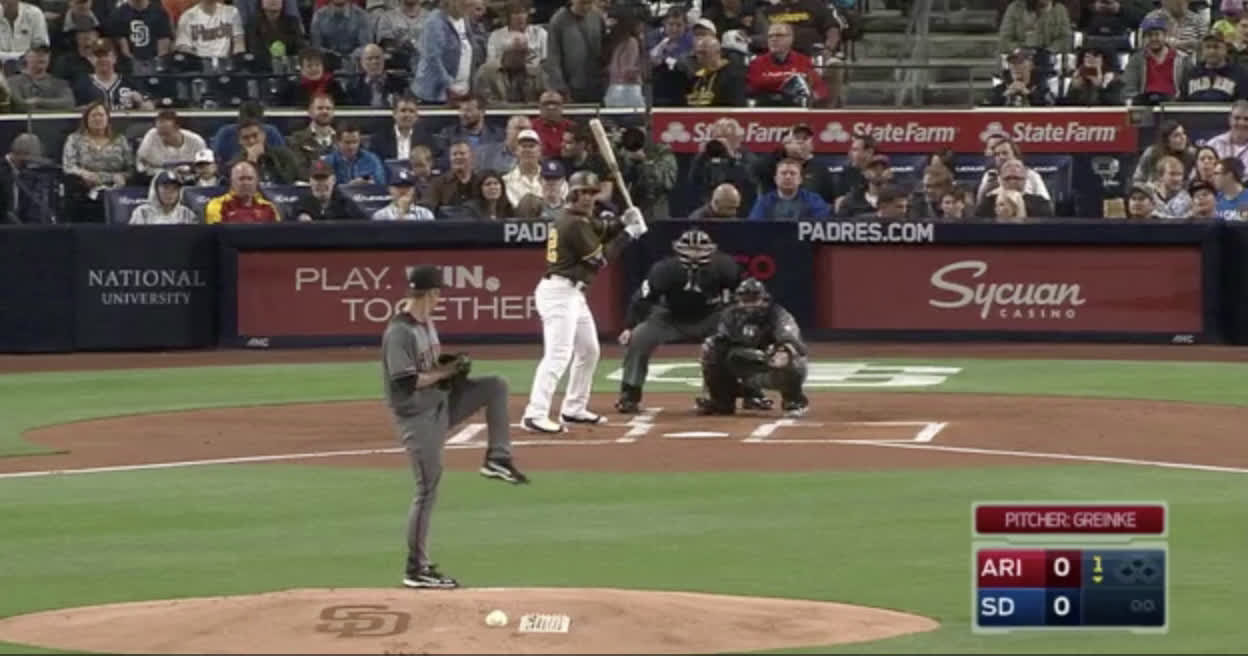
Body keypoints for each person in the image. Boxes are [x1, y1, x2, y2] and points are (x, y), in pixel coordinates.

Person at [382, 264, 529, 589]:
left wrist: (450, 365)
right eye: (439, 293)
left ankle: (497, 459)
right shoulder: (400, 332)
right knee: (427, 489)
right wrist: (446, 374)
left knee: (495, 386)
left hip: (440, 403)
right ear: (431, 293)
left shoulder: (426, 323)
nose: (440, 299)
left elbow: (429, 366)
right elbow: (406, 382)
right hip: (418, 418)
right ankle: (416, 569)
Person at [520, 171, 647, 433]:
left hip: (572, 294)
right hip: (559, 293)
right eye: (583, 193)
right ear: (573, 194)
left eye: (592, 193)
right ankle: (535, 413)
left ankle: (574, 408)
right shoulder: (574, 224)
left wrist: (623, 221)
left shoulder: (578, 219)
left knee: (589, 350)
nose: (588, 198)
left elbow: (602, 229)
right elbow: (600, 259)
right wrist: (629, 234)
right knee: (558, 355)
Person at [615, 229, 772, 414]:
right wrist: (629, 326)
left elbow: (745, 293)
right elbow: (642, 299)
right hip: (670, 316)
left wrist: (745, 322)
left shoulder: (725, 265)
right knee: (639, 337)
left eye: (699, 251)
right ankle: (630, 393)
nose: (694, 256)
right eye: (690, 250)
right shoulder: (664, 269)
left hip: (711, 315)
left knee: (741, 339)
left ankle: (750, 391)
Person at [695, 277, 810, 417]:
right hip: (745, 364)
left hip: (771, 364)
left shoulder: (777, 314)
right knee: (711, 349)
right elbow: (720, 343)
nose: (749, 304)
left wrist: (782, 351)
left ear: (764, 299)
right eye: (745, 299)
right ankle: (723, 400)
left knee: (793, 358)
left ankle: (793, 398)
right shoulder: (730, 315)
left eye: (754, 299)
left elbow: (791, 339)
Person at [204, 160, 282, 223]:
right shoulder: (217, 205)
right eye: (241, 179)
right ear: (232, 182)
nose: (246, 183)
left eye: (250, 179)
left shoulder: (268, 207)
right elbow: (216, 234)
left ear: (256, 182)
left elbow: (277, 234)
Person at [293, 160, 367, 220]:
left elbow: (366, 226)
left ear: (333, 180)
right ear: (310, 181)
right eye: (316, 179)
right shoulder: (301, 205)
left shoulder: (346, 205)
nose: (320, 183)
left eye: (324, 178)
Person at [129, 170, 196, 224]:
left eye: (175, 188)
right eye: (166, 187)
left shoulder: (186, 214)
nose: (170, 192)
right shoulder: (142, 212)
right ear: (156, 190)